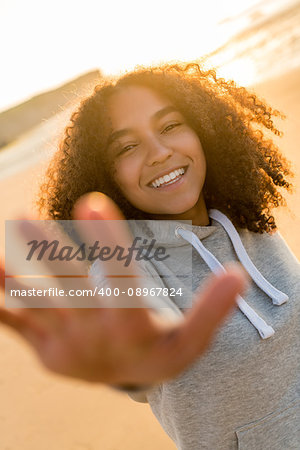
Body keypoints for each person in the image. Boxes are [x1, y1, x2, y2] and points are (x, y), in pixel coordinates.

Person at [1, 62, 299, 449]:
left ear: (202, 128)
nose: (159, 153)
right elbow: (135, 338)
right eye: (127, 147)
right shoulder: (125, 264)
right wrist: (133, 360)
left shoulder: (244, 218)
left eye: (170, 126)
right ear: (106, 176)